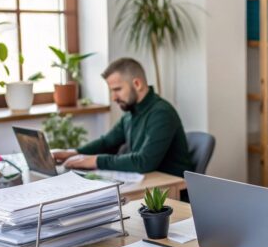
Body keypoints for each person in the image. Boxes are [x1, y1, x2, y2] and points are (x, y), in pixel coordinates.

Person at [53, 57, 193, 177]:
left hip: (171, 192)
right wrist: (74, 153)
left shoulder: (162, 113)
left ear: (137, 84)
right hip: (147, 185)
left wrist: (95, 161)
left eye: (117, 89)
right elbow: (107, 143)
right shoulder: (131, 113)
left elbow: (144, 162)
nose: (113, 97)